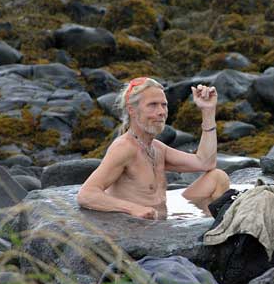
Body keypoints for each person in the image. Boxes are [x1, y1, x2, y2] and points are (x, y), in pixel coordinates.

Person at [77, 77, 230, 220]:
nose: (161, 112)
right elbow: (86, 194)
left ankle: (211, 228)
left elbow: (205, 163)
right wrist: (133, 209)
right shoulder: (124, 147)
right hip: (139, 227)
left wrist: (208, 111)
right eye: (152, 105)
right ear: (132, 110)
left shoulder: (157, 148)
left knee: (217, 177)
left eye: (164, 105)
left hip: (163, 218)